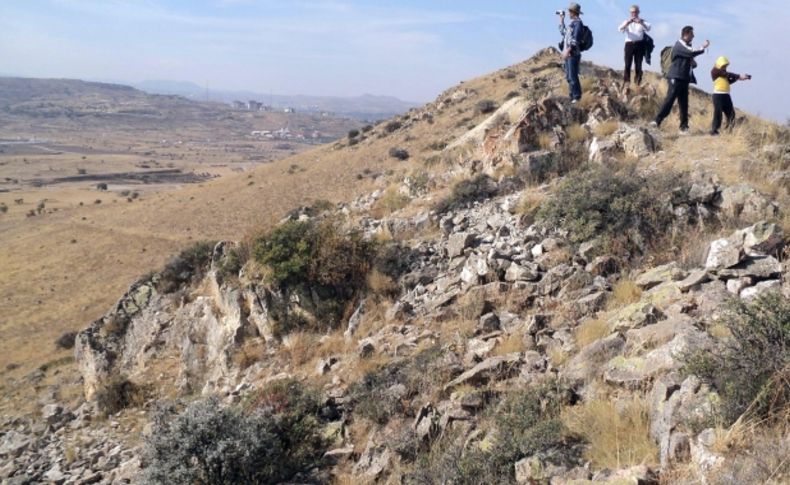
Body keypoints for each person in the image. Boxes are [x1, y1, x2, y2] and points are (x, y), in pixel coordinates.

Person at [652, 26, 710, 133]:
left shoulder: (686, 46)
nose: (693, 36)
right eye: (692, 34)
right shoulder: (679, 44)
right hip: (676, 77)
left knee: (684, 104)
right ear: (686, 34)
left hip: (684, 78)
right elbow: (691, 52)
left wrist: (692, 63)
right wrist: (703, 46)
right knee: (670, 100)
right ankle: (656, 121)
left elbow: (690, 58)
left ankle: (684, 128)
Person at [710, 56, 751, 135]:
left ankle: (728, 131)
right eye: (724, 65)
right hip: (718, 95)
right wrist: (739, 76)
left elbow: (729, 81)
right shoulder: (714, 71)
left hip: (726, 96)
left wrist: (739, 79)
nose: (725, 67)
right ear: (719, 64)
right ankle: (714, 131)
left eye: (726, 66)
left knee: (731, 114)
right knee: (718, 114)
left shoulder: (723, 74)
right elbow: (727, 74)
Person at [618, 5, 651, 86]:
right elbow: (620, 29)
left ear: (638, 12)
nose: (634, 14)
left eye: (635, 12)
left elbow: (648, 28)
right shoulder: (627, 21)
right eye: (632, 12)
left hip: (639, 44)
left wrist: (641, 22)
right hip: (629, 44)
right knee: (627, 64)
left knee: (638, 65)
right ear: (630, 13)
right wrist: (627, 23)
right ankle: (626, 83)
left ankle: (637, 83)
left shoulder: (642, 21)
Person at [559, 3, 584, 103]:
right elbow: (564, 33)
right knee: (569, 76)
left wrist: (568, 51)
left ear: (574, 12)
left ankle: (576, 96)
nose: (568, 13)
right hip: (568, 54)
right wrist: (561, 21)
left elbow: (575, 40)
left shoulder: (578, 23)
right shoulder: (572, 24)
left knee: (573, 76)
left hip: (573, 54)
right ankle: (572, 96)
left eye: (570, 11)